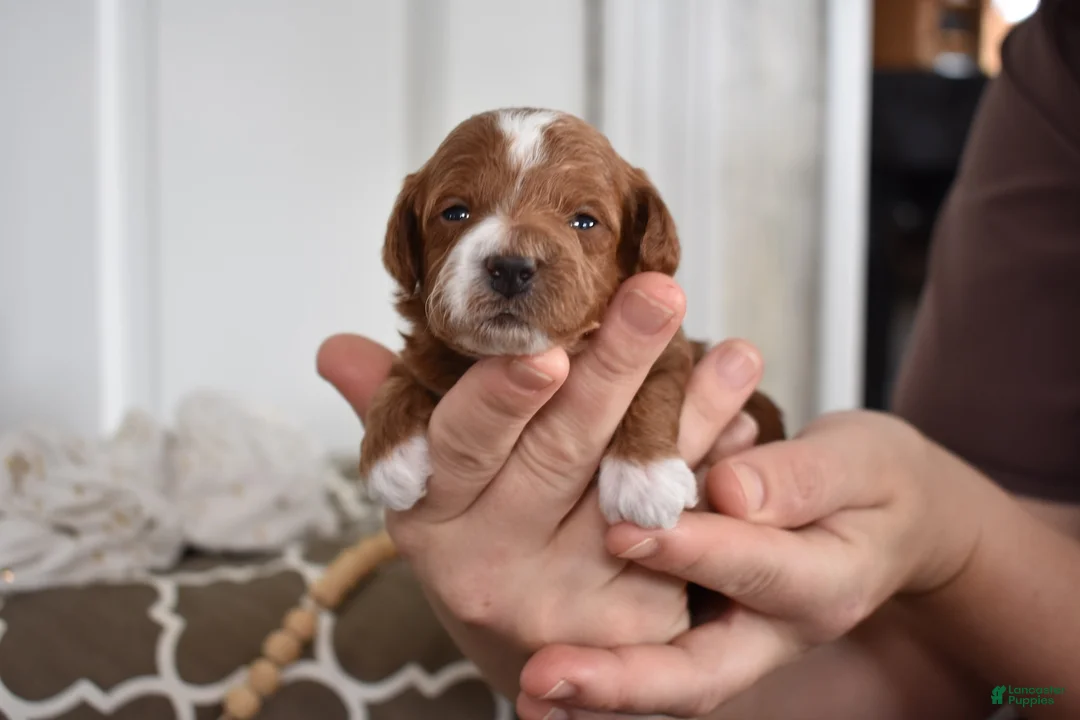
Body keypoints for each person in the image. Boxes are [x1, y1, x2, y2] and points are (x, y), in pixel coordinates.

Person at [317, 2, 1080, 717]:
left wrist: (943, 533)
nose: (512, 254)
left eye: (582, 221)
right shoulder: (1053, 67)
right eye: (457, 212)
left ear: (639, 249)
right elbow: (978, 661)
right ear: (407, 248)